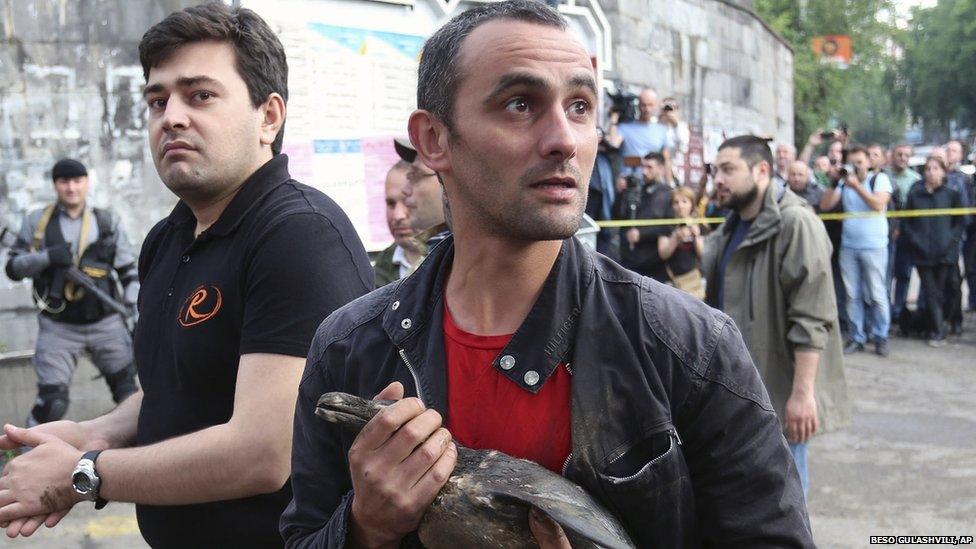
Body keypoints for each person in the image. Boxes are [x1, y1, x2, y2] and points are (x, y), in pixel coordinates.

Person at [280, 2, 813, 547]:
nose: (564, 139)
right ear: (434, 140)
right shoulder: (350, 347)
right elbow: (302, 535)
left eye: (580, 106)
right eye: (520, 104)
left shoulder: (689, 349)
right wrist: (365, 526)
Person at [0, 4, 373, 545]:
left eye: (200, 95)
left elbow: (262, 454)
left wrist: (85, 472)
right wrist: (92, 431)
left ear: (268, 116)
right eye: (157, 100)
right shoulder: (168, 238)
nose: (171, 116)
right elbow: (178, 390)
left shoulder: (297, 236)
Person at [703, 135, 849, 498]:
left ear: (762, 170)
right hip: (737, 390)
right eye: (714, 170)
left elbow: (813, 316)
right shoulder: (730, 228)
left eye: (728, 169)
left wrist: (802, 394)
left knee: (783, 500)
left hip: (779, 392)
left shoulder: (796, 224)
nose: (717, 179)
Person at [4, 158, 140, 428]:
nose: (71, 188)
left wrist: (136, 313)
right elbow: (13, 268)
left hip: (106, 322)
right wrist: (46, 258)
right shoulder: (38, 222)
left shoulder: (106, 221)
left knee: (129, 396)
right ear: (55, 185)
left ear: (87, 183)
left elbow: (128, 271)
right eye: (64, 181)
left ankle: (140, 456)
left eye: (77, 181)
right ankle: (25, 457)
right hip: (59, 328)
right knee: (52, 403)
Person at [821, 144, 893, 357]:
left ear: (868, 162)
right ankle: (857, 336)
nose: (856, 166)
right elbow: (825, 205)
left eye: (859, 162)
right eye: (852, 163)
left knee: (877, 294)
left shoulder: (879, 180)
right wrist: (835, 182)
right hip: (849, 246)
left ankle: (881, 336)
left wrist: (856, 186)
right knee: (852, 295)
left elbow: (878, 204)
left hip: (874, 246)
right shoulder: (845, 183)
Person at [901, 156, 966, 346]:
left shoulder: (951, 194)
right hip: (923, 255)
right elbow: (907, 223)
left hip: (946, 253)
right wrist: (915, 240)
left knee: (950, 289)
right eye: (928, 169)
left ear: (943, 171)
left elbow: (960, 222)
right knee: (931, 293)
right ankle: (938, 331)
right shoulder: (916, 194)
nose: (931, 172)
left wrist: (951, 240)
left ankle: (946, 322)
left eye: (936, 168)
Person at [615, 152, 674, 283]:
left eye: (649, 167)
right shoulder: (636, 189)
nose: (644, 171)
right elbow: (618, 216)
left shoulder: (668, 194)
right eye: (643, 167)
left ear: (661, 168)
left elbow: (670, 227)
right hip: (629, 260)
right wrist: (620, 194)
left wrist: (641, 234)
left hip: (653, 264)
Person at [886, 144, 922, 319]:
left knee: (904, 274)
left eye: (906, 155)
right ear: (892, 155)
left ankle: (899, 311)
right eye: (899, 154)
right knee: (886, 275)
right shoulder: (883, 176)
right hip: (885, 233)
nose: (902, 158)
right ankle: (885, 312)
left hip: (907, 234)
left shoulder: (915, 179)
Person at [373, 160, 422, 286]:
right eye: (391, 203)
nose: (398, 215)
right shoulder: (377, 271)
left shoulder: (459, 263)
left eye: (408, 201)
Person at [612, 87, 673, 179]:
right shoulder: (625, 128)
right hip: (629, 183)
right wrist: (614, 116)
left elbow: (666, 161)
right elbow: (613, 144)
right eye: (644, 105)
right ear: (639, 105)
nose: (647, 109)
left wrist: (670, 185)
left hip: (652, 185)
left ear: (656, 105)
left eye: (650, 105)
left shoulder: (662, 130)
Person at [658, 186, 704, 298]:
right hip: (673, 282)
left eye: (684, 201)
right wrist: (675, 238)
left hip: (694, 281)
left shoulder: (699, 224)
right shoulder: (667, 226)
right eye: (676, 202)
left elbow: (703, 254)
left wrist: (696, 236)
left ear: (691, 204)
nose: (680, 206)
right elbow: (663, 254)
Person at [659, 97, 689, 184]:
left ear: (677, 110)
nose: (668, 110)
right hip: (658, 172)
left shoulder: (682, 127)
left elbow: (684, 148)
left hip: (675, 172)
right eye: (666, 107)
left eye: (671, 107)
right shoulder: (656, 125)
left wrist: (675, 124)